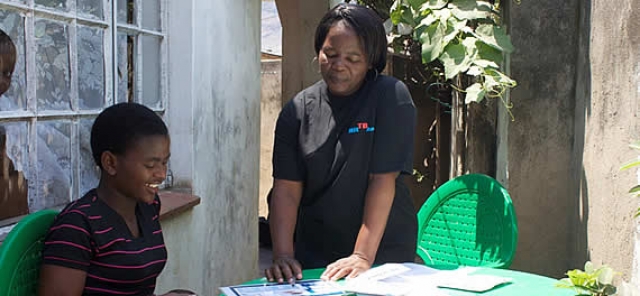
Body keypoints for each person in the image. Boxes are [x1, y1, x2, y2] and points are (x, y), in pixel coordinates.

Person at [265, 3, 418, 283]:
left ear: (371, 60)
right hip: (316, 255)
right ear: (318, 51)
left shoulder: (390, 97)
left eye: (353, 58)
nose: (338, 66)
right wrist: (283, 255)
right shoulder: (298, 110)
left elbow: (382, 181)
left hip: (381, 254)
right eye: (330, 54)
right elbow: (286, 190)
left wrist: (361, 256)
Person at [38, 103, 195, 296]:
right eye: (150, 165)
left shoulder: (148, 208)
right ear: (110, 163)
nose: (162, 174)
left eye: (164, 162)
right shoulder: (77, 226)